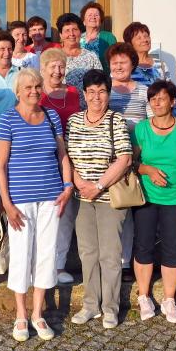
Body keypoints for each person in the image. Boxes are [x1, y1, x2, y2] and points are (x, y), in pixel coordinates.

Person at [0, 68, 73, 341]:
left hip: (51, 197)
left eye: (38, 86)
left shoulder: (52, 117)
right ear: (18, 90)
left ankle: (38, 314)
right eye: (28, 87)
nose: (34, 91)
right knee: (21, 255)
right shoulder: (8, 119)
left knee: (45, 254)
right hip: (20, 200)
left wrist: (67, 187)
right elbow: (1, 166)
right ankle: (21, 315)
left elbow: (62, 156)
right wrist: (6, 202)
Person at [66, 70, 132, 329]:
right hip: (81, 197)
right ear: (84, 94)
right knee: (87, 253)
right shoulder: (73, 121)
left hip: (109, 198)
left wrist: (99, 185)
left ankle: (110, 308)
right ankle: (91, 305)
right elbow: (67, 156)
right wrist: (80, 184)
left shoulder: (116, 120)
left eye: (102, 91)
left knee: (110, 254)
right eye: (91, 92)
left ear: (109, 93)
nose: (96, 97)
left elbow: (124, 159)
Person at [131, 80, 176, 323]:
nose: (157, 103)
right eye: (153, 99)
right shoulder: (140, 129)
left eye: (162, 98)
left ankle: (169, 298)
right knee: (143, 246)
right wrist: (147, 169)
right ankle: (144, 295)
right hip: (146, 199)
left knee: (172, 247)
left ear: (173, 101)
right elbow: (131, 163)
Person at [106, 42, 148, 282]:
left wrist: (135, 153)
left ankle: (126, 262)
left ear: (132, 64)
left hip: (138, 155)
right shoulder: (106, 90)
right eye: (114, 63)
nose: (119, 66)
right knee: (115, 210)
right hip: (110, 157)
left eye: (123, 62)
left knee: (132, 210)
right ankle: (112, 260)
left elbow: (150, 123)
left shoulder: (143, 91)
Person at [37, 48, 80, 284]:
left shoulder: (74, 93)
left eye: (61, 66)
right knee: (43, 214)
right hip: (42, 161)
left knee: (65, 214)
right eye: (52, 66)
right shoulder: (36, 92)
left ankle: (59, 264)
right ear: (42, 70)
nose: (57, 71)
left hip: (70, 158)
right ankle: (40, 264)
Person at [57, 13, 103, 108]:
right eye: (67, 30)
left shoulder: (91, 56)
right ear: (61, 35)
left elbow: (101, 83)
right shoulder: (53, 57)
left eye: (75, 30)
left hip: (87, 111)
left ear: (81, 33)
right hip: (60, 108)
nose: (71, 34)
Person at [122, 21, 169, 87]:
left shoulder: (161, 65)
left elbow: (169, 90)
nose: (145, 40)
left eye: (146, 36)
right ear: (130, 44)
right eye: (139, 38)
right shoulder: (123, 65)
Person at [80, 1, 117, 75]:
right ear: (84, 21)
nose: (93, 17)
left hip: (102, 79)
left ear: (100, 21)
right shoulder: (78, 38)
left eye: (96, 15)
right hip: (81, 80)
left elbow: (115, 58)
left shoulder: (108, 37)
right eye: (89, 15)